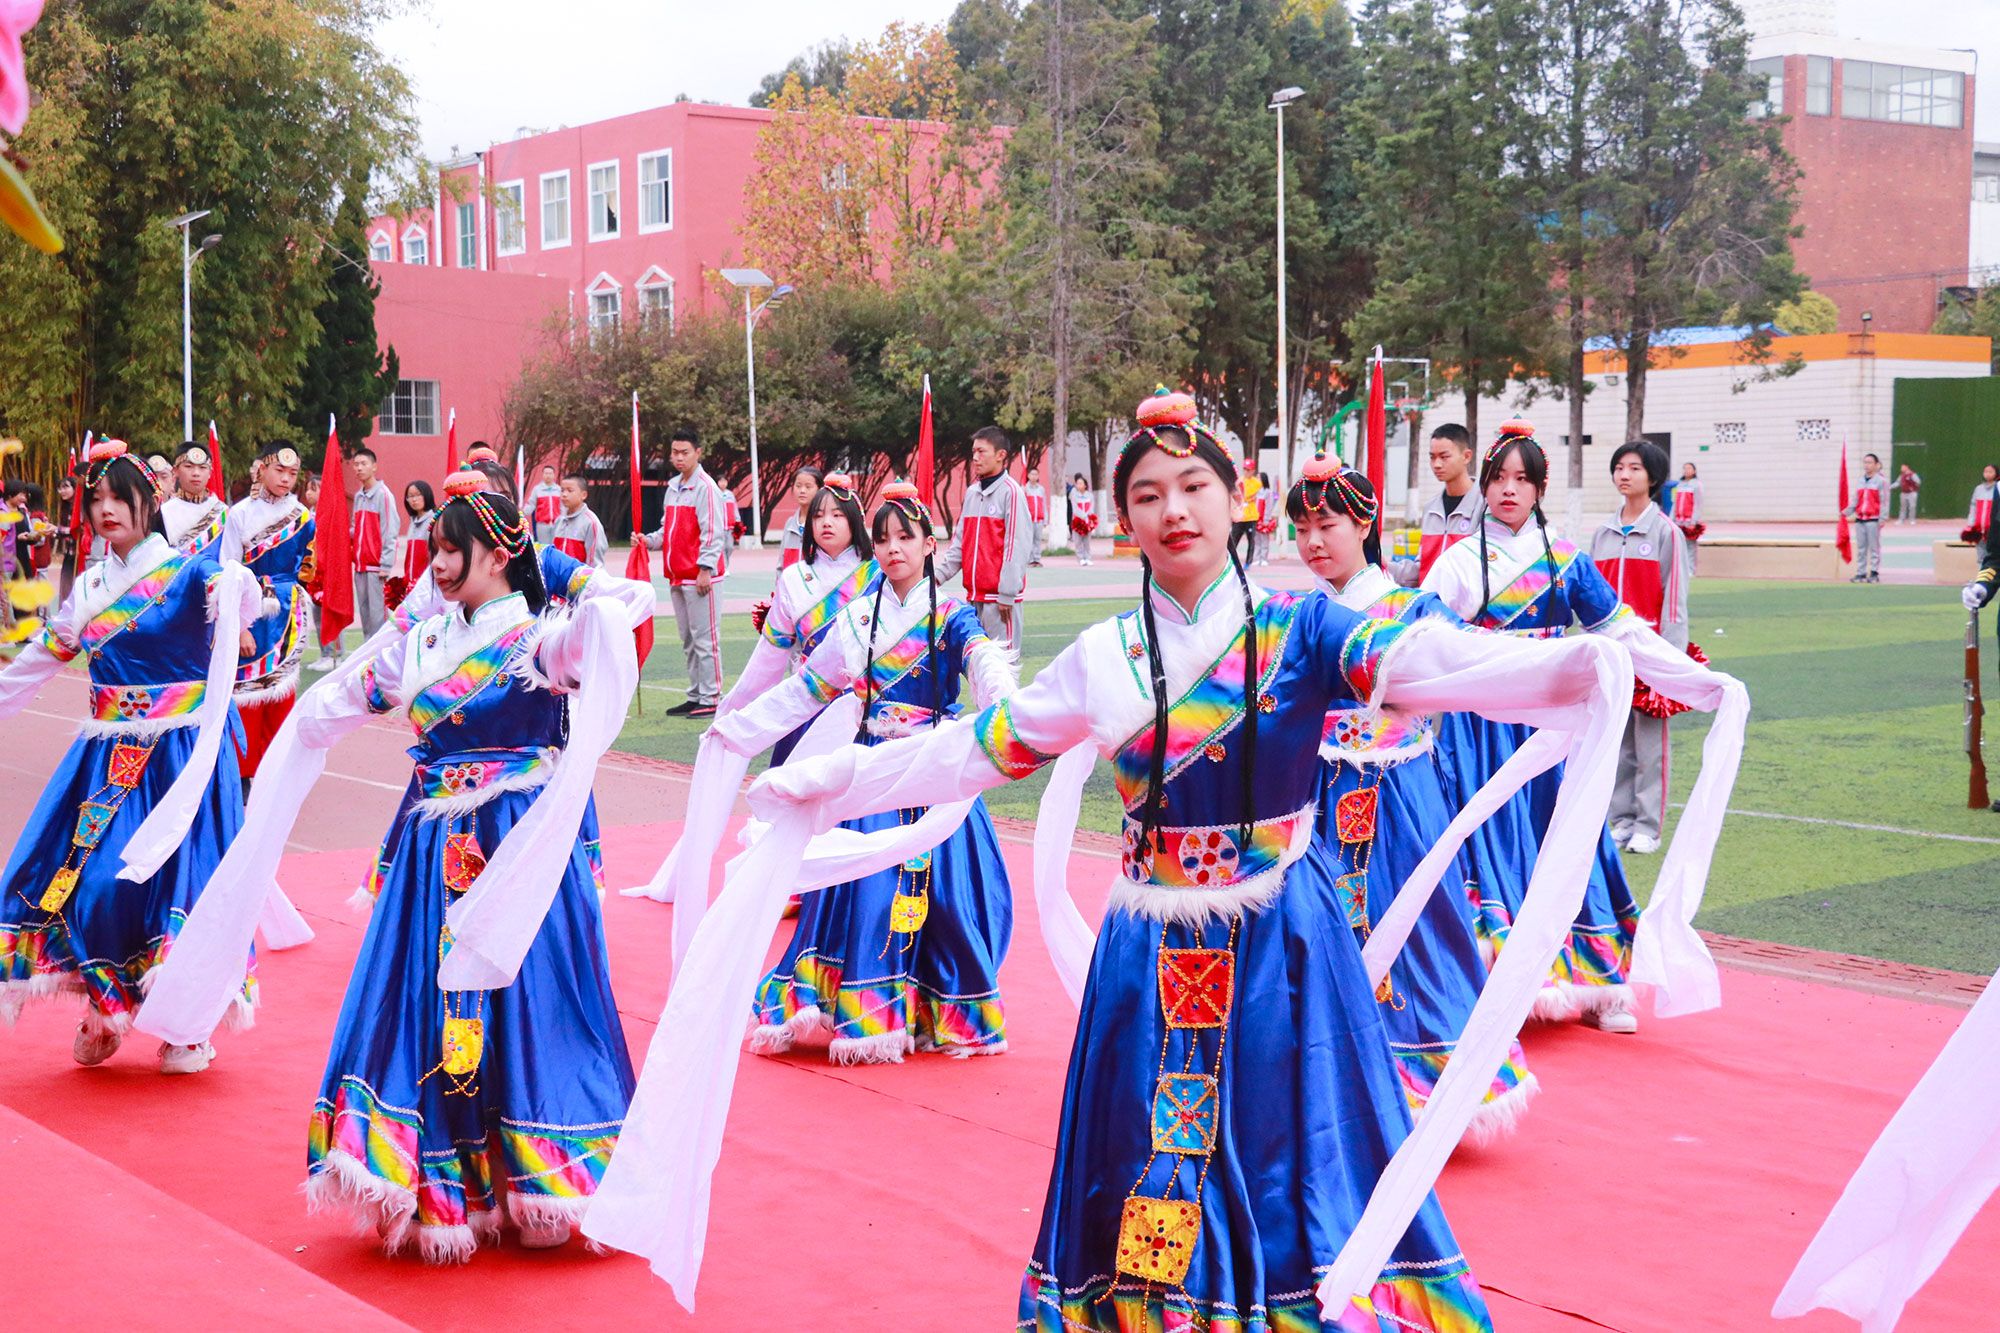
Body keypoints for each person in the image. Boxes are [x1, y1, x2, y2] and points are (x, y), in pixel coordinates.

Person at [583, 387, 1642, 1327]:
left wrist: (1584, 663)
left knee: (1293, 1149)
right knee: (1147, 1150)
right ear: (1122, 518)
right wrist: (837, 782)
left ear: (1238, 503)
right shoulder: (1103, 655)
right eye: (1146, 494)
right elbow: (972, 749)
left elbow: (1448, 665)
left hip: (1281, 933)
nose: (1172, 509)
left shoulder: (1306, 631)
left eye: (1192, 486)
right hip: (1146, 936)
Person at [141, 472, 648, 1259]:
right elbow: (341, 700)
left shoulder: (544, 640)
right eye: (435, 549)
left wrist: (585, 586)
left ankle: (542, 1175)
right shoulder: (423, 640)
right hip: (430, 844)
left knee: (533, 995)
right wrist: (294, 735)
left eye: (454, 550)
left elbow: (612, 626)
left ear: (502, 553)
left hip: (514, 841)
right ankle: (436, 1175)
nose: (437, 565)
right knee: (421, 996)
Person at [1423, 419, 1748, 1034]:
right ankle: (1492, 985)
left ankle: (1600, 982)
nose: (1509, 491)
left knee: (1572, 840)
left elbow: (1620, 630)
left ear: (1541, 488)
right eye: (1498, 479)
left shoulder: (1565, 557)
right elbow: (1431, 641)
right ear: (1485, 487)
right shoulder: (1461, 560)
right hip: (1482, 728)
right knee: (1490, 844)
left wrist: (1696, 680)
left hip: (1555, 726)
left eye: (1523, 479)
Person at [712, 480, 1016, 1061]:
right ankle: (861, 1009)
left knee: (947, 904)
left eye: (906, 536)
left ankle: (934, 1011)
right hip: (874, 773)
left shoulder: (952, 616)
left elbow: (983, 664)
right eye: (884, 539)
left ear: (930, 544)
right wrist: (739, 728)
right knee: (865, 895)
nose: (894, 548)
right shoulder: (858, 621)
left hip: (931, 773)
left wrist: (1006, 708)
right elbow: (805, 690)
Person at [1289, 458, 1535, 1139]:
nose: (1313, 540)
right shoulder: (1296, 615)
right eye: (1302, 527)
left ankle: (1433, 1092)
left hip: (1399, 798)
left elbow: (1475, 677)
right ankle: (1333, 1095)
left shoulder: (1413, 611)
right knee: (1317, 935)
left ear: (1364, 523)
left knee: (1423, 931)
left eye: (1327, 523)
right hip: (1314, 800)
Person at [0, 439, 260, 1073]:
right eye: (96, 499)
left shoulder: (192, 572)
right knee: (92, 882)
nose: (105, 509)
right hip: (109, 754)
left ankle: (188, 1029)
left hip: (180, 754)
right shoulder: (88, 587)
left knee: (184, 888)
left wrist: (237, 601)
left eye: (119, 497)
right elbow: (36, 662)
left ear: (152, 502)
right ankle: (105, 1003)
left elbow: (247, 631)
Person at [1591, 441, 1690, 856]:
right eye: (1619, 467)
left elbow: (1674, 601)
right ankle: (1622, 819)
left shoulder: (1666, 532)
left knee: (1650, 747)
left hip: (1649, 655)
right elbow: (1591, 596)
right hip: (1611, 654)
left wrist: (1669, 662)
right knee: (1616, 743)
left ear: (1652, 476)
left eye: (1634, 468)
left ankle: (1648, 824)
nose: (1624, 474)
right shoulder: (1602, 534)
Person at [220, 440, 315, 780]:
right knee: (246, 690)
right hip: (249, 605)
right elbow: (228, 572)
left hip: (289, 611)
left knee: (282, 688)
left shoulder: (303, 517)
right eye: (280, 470)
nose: (287, 479)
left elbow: (310, 568)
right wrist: (240, 625)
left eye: (293, 473)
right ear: (261, 468)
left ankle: (275, 772)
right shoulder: (240, 514)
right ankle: (243, 772)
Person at [639, 428, 729, 717]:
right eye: (675, 452)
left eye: (684, 452)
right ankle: (695, 694)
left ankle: (712, 696)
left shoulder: (706, 487)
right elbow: (669, 529)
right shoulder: (674, 486)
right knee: (688, 639)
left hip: (701, 576)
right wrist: (648, 541)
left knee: (705, 639)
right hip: (677, 573)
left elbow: (713, 532)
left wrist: (705, 568)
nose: (678, 457)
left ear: (697, 453)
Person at [935, 425, 1031, 653]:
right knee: (978, 667)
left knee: (1002, 669)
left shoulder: (1012, 492)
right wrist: (934, 577)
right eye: (973, 452)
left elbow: (1016, 547)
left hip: (1000, 602)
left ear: (1001, 456)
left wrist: (1007, 593)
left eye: (981, 451)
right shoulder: (972, 493)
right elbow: (960, 545)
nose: (975, 458)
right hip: (973, 598)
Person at [1393, 424, 1481, 587]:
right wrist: (1383, 566)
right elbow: (1422, 569)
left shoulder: (1483, 506)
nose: (1437, 464)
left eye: (1444, 456)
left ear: (1467, 456)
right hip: (1431, 606)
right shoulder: (1430, 509)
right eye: (1432, 457)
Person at [347, 445, 396, 640]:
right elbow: (354, 529)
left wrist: (385, 564)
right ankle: (367, 659)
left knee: (378, 617)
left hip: (376, 568)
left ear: (374, 467)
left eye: (363, 464)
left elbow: (390, 530)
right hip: (359, 566)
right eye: (356, 464)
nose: (359, 468)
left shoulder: (383, 494)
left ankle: (380, 658)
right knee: (366, 617)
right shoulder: (359, 496)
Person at [160, 440, 227, 559]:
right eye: (188, 467)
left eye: (202, 468)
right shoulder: (163, 513)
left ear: (210, 472)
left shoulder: (223, 512)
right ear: (175, 471)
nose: (196, 473)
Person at [387, 479, 435, 610]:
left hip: (426, 584)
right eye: (410, 496)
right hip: (410, 583)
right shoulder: (412, 523)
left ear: (427, 495)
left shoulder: (433, 521)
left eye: (418, 495)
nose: (414, 499)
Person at [1844, 453, 1889, 583]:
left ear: (1876, 465)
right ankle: (1861, 572)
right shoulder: (1861, 480)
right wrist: (1847, 512)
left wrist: (1882, 518)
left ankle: (1874, 572)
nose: (1866, 465)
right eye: (1865, 462)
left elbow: (1884, 501)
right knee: (1861, 548)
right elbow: (1856, 499)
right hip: (1860, 519)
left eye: (1869, 462)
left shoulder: (1881, 481)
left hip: (1873, 519)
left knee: (1874, 547)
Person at [549, 472, 608, 566]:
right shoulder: (559, 521)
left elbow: (595, 562)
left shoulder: (591, 523)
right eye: (562, 490)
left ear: (583, 495)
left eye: (570, 490)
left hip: (580, 578)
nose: (564, 494)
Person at [777, 466, 824, 572]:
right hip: (790, 585)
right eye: (798, 486)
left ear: (819, 489)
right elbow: (781, 562)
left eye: (808, 487)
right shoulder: (790, 524)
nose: (802, 491)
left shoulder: (823, 523)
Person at [1670, 461, 1705, 575]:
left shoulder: (1696, 485)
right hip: (1678, 520)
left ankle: (1691, 570)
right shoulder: (1679, 485)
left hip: (1689, 521)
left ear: (1694, 471)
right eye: (1685, 468)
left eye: (1689, 468)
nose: (1686, 471)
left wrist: (1693, 521)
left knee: (1690, 545)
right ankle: (1681, 569)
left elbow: (1698, 504)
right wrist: (1671, 519)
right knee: (1679, 545)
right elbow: (1675, 503)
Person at [1967, 465, 1998, 563]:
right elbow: (1973, 506)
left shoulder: (1998, 488)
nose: (1987, 474)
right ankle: (1982, 577)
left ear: (1996, 473)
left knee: (1993, 554)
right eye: (1985, 472)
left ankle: (1992, 577)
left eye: (1990, 472)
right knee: (1980, 555)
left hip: (1994, 529)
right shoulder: (1978, 489)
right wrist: (1971, 523)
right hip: (1979, 528)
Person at [527, 464, 564, 545]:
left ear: (554, 475)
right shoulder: (537, 490)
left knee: (556, 546)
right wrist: (521, 512)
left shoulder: (558, 490)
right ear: (543, 475)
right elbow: (531, 505)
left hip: (557, 524)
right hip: (542, 525)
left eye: (550, 473)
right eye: (546, 473)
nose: (548, 476)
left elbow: (563, 507)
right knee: (543, 547)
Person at [1229, 468, 1259, 566]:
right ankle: (1230, 560)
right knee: (1233, 539)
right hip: (1239, 516)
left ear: (1252, 471)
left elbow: (1249, 494)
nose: (1246, 472)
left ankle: (1248, 562)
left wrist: (1245, 495)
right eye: (1245, 469)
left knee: (1251, 541)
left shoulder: (1256, 482)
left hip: (1251, 517)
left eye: (1249, 470)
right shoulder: (1239, 481)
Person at [1067, 472, 1095, 566]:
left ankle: (1088, 558)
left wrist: (1088, 517)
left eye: (1080, 483)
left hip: (1087, 521)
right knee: (1078, 541)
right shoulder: (1074, 495)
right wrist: (1083, 516)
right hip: (1077, 521)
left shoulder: (1090, 495)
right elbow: (1075, 509)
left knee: (1087, 541)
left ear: (1085, 485)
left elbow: (1091, 507)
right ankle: (1080, 558)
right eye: (1077, 483)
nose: (1078, 485)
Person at [1024, 464, 1049, 566]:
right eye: (1032, 474)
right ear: (1028, 475)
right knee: (1029, 540)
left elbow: (1043, 504)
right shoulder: (1025, 489)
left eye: (1036, 474)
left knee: (1038, 540)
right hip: (1029, 519)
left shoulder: (1041, 489)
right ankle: (1030, 560)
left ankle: (1037, 559)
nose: (1034, 476)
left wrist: (1045, 519)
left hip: (1039, 519)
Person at [1250, 470, 1276, 566]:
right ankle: (1257, 558)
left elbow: (1268, 506)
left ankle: (1264, 558)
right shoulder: (1255, 492)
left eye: (1258, 478)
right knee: (1256, 539)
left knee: (1264, 539)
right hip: (1254, 518)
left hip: (1263, 519)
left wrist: (1266, 519)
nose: (1257, 480)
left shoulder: (1268, 492)